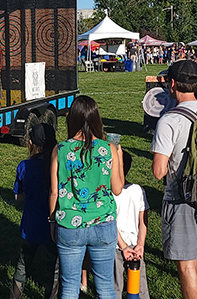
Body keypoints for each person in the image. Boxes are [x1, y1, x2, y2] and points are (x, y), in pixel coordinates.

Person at [151, 60, 197, 299]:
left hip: (181, 199)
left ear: (173, 84)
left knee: (185, 264)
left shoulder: (169, 120)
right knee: (196, 258)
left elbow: (158, 172)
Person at [50, 95, 124, 299]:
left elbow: (54, 192)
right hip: (103, 223)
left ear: (71, 119)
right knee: (105, 285)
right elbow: (117, 189)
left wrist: (52, 221)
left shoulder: (60, 149)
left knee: (69, 286)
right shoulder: (108, 149)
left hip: (69, 225)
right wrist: (118, 157)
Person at [9, 122, 60, 299]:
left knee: (22, 266)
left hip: (30, 226)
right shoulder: (60, 166)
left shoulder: (24, 166)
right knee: (52, 270)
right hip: (53, 226)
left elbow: (18, 198)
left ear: (31, 143)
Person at [115, 152, 149, 299]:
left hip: (116, 246)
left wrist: (124, 246)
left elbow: (110, 223)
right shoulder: (138, 190)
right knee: (140, 288)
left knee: (115, 287)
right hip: (134, 248)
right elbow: (143, 221)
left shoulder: (108, 193)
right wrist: (140, 244)